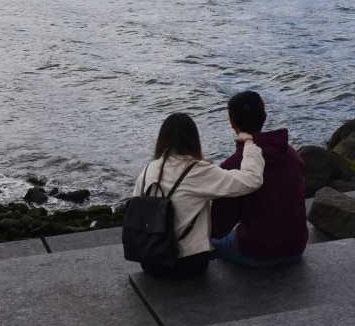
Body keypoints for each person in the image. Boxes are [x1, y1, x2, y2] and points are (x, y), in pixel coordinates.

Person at [131, 112, 265, 279]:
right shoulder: (196, 170)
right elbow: (251, 180)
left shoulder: (148, 170)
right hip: (187, 266)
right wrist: (250, 144)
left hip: (150, 261)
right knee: (228, 239)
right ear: (193, 139)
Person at [210, 91, 308, 267]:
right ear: (264, 116)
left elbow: (219, 226)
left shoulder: (232, 165)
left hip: (256, 252)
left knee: (211, 240)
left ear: (231, 122)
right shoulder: (291, 154)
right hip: (297, 247)